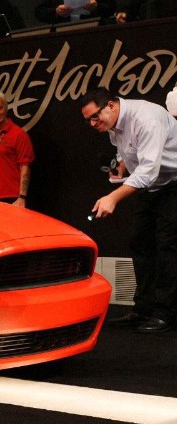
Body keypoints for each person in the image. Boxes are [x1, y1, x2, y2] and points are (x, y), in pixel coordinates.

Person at [81, 88, 177, 333]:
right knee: (140, 243)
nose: (92, 124)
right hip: (151, 187)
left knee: (167, 246)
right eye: (88, 120)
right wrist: (122, 167)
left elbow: (148, 172)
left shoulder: (147, 118)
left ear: (111, 105)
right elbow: (127, 152)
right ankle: (143, 309)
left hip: (173, 182)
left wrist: (113, 197)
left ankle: (166, 314)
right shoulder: (114, 124)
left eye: (95, 117)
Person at [35, 0, 116, 24]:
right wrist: (55, 11)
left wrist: (96, 6)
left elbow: (111, 7)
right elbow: (39, 12)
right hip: (63, 33)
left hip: (93, 29)